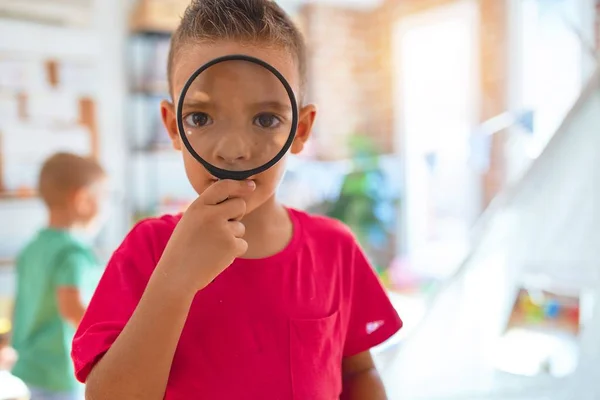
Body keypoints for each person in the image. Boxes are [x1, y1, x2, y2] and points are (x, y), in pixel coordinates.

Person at [73, 0, 403, 398]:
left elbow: (359, 374)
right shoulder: (146, 252)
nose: (233, 150)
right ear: (172, 127)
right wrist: (173, 283)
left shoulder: (336, 250)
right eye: (200, 117)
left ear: (301, 130)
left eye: (265, 119)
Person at [11, 153, 108, 400]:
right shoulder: (74, 252)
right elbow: (72, 308)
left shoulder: (33, 248)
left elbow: (19, 302)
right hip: (59, 371)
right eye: (102, 198)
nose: (105, 207)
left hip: (29, 363)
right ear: (82, 199)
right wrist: (109, 345)